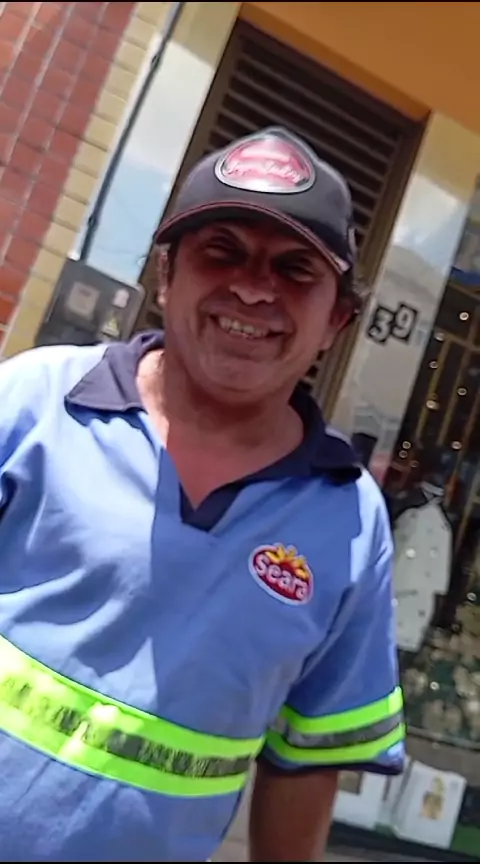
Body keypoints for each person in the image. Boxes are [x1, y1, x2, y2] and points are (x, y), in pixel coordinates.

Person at [0, 126, 404, 862]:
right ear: (166, 274)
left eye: (295, 270)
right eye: (222, 251)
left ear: (336, 321)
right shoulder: (36, 402)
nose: (252, 288)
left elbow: (308, 761)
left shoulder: (349, 520)